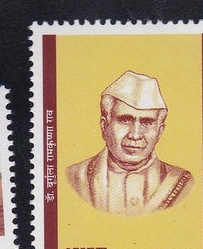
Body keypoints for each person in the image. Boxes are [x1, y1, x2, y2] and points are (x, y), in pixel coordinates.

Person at [66, 70, 193, 215]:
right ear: (104, 126)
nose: (135, 135)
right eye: (125, 120)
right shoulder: (74, 177)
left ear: (159, 131)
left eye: (147, 122)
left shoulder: (183, 183)